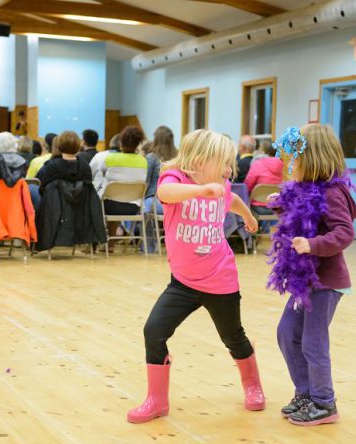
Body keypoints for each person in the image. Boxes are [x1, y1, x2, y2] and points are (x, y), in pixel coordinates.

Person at [127, 129, 263, 424]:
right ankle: (157, 400)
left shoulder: (222, 185)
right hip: (183, 283)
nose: (229, 170)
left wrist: (249, 217)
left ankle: (252, 385)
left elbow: (233, 201)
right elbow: (165, 194)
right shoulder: (175, 179)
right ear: (202, 160)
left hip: (221, 280)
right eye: (225, 164)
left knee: (233, 337)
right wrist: (201, 191)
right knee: (153, 331)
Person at [267, 124, 356, 426]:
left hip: (327, 282)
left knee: (312, 342)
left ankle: (324, 402)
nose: (290, 164)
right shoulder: (306, 189)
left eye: (295, 157)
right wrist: (281, 206)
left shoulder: (332, 193)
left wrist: (313, 245)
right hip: (306, 281)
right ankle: (305, 392)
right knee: (286, 333)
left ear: (312, 159)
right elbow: (303, 218)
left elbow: (344, 233)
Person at [93, 126, 146, 248]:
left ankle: (94, 243)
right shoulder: (144, 161)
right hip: (133, 208)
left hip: (109, 206)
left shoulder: (110, 158)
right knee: (116, 196)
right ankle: (110, 243)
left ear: (121, 143)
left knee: (101, 199)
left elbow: (94, 172)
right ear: (138, 143)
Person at [144, 126, 177, 253]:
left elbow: (145, 182)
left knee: (144, 210)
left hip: (155, 200)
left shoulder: (151, 157)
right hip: (176, 202)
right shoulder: (178, 157)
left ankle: (149, 247)